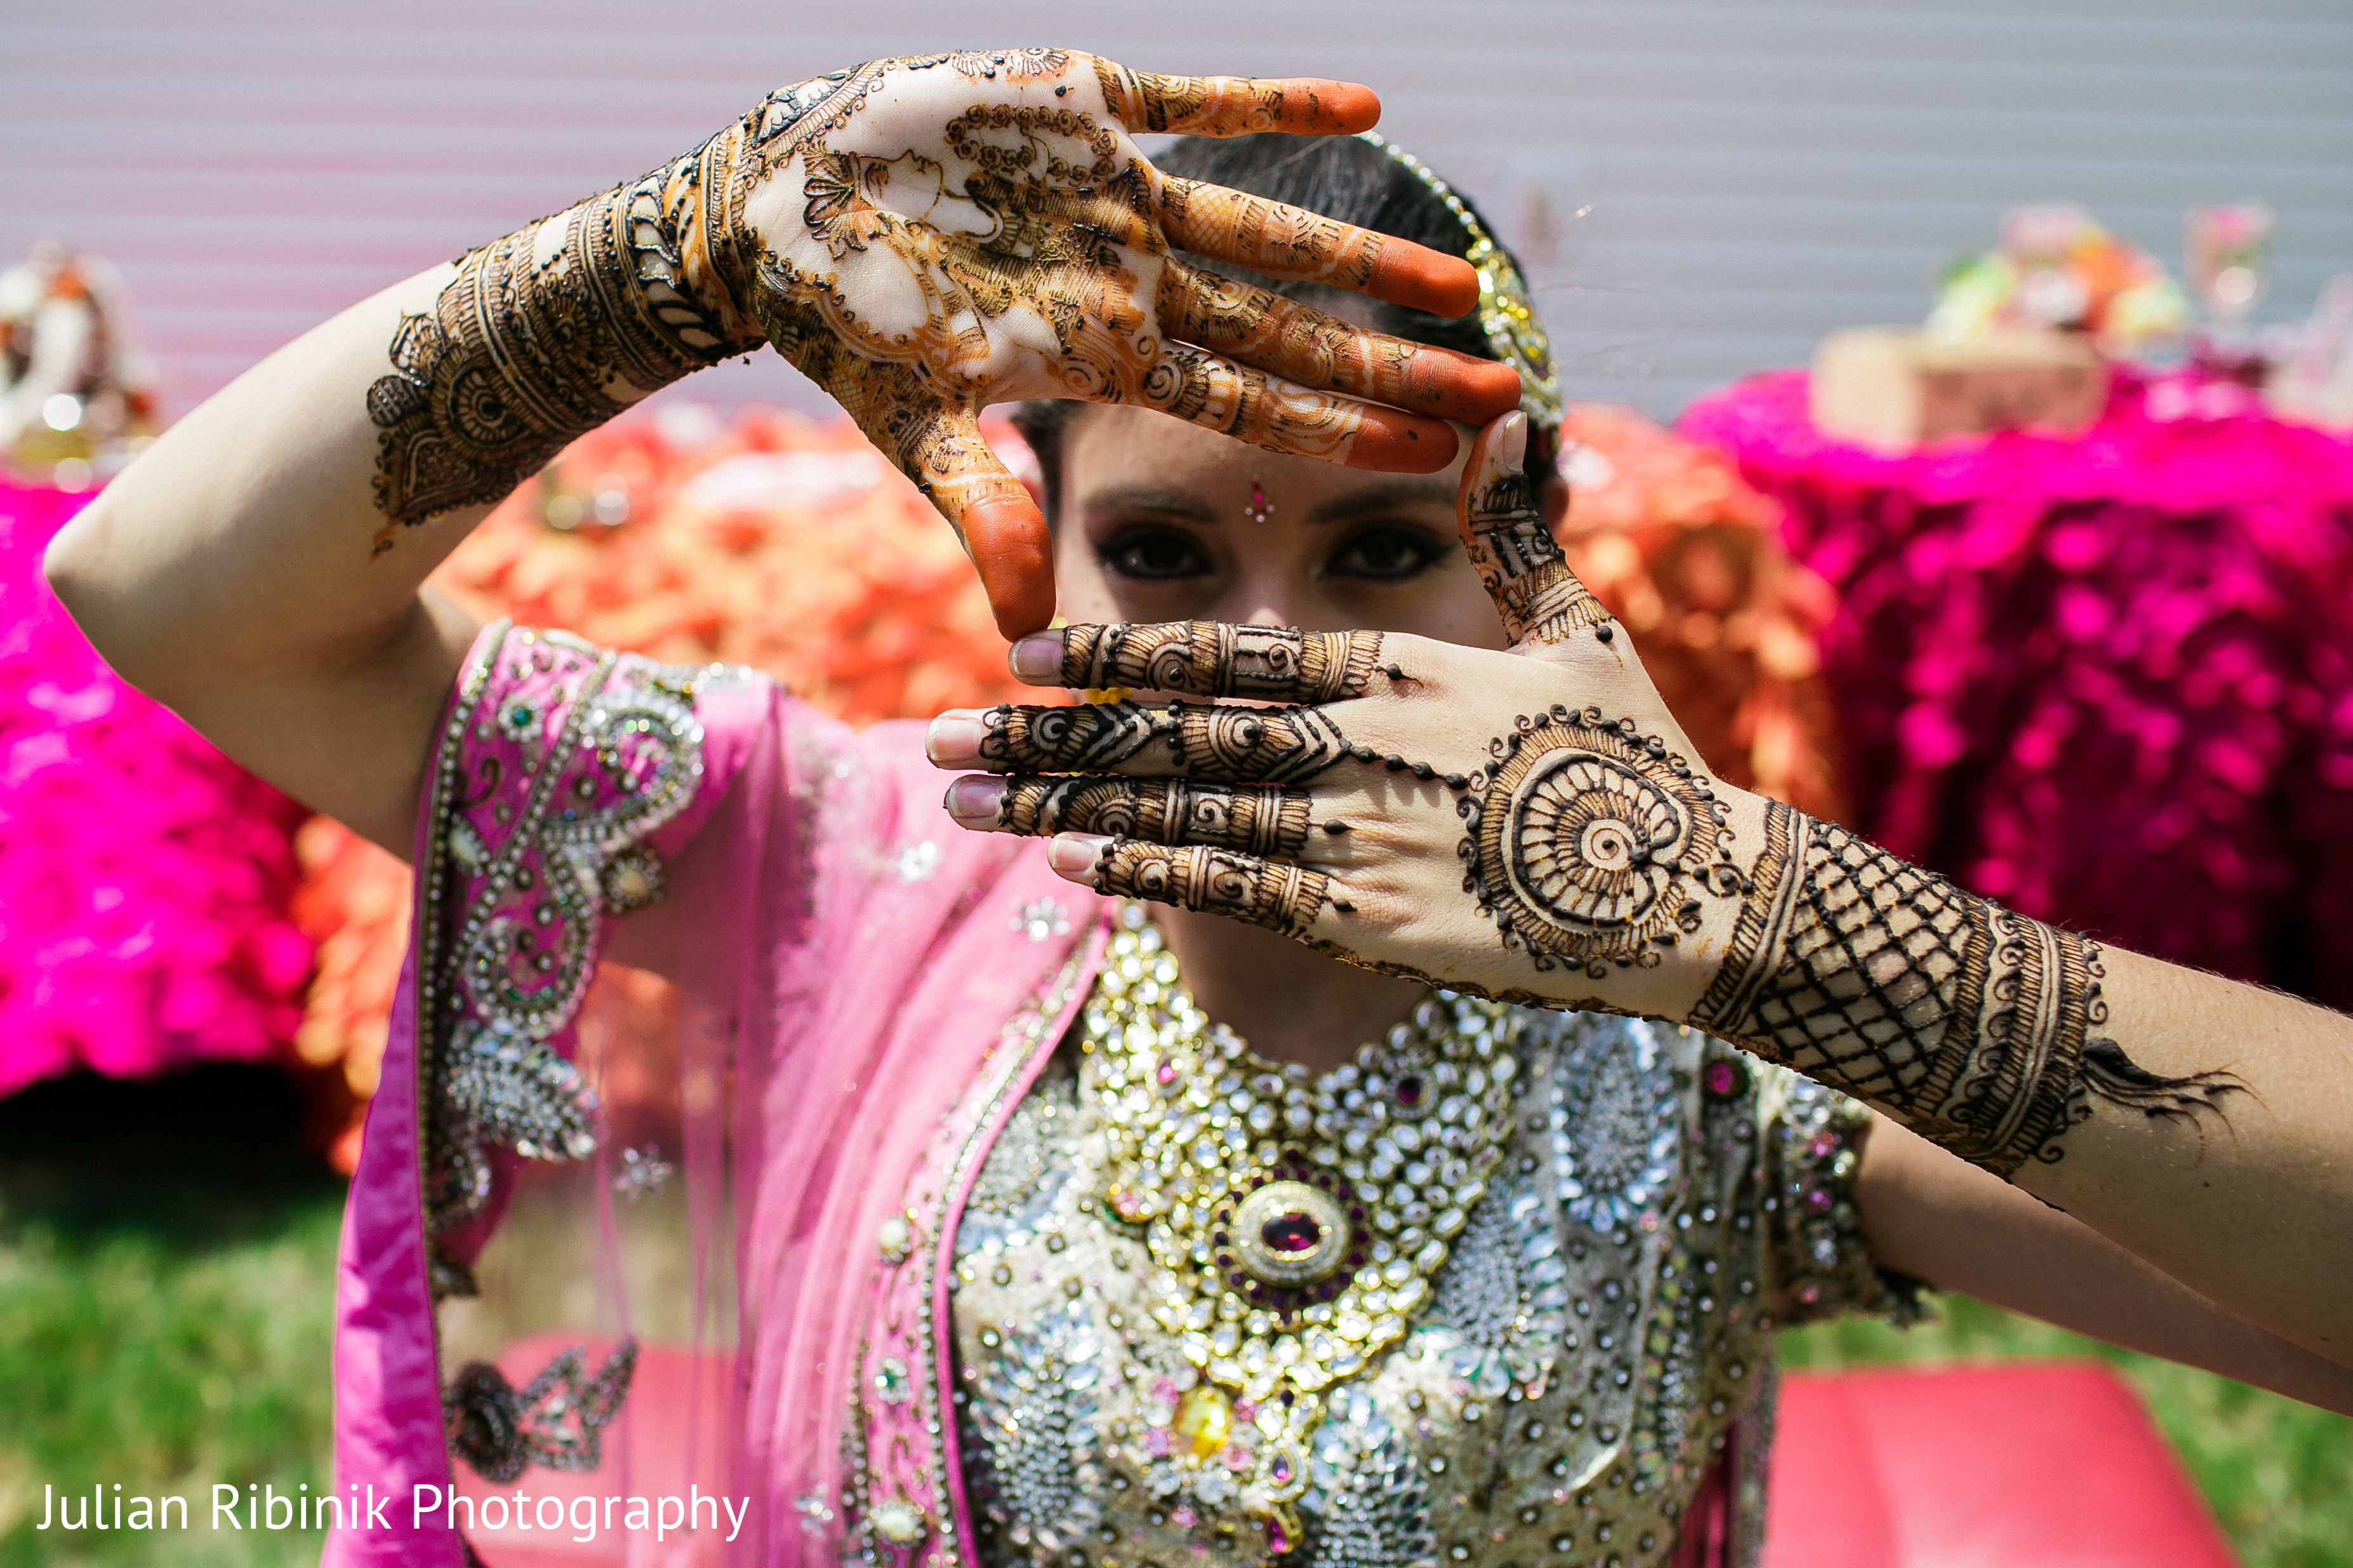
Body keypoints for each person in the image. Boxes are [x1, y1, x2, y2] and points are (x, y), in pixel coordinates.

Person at [42, 49, 2353, 1568]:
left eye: (1376, 553)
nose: (1270, 648)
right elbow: (172, 595)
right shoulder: (827, 878)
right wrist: (690, 248)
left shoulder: (1696, 1013)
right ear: (1024, 558)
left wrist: (1745, 918)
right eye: (1160, 552)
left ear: (1524, 563)